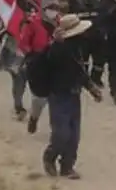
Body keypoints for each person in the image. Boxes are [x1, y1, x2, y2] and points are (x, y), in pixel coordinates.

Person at [42, 14, 104, 179]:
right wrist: (55, 43)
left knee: (74, 134)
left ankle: (67, 166)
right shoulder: (56, 50)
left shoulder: (77, 48)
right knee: (61, 133)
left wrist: (91, 87)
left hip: (73, 94)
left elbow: (79, 72)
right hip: (58, 95)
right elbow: (49, 61)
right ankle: (50, 157)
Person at [19, 0, 61, 134]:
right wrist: (32, 56)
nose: (53, 10)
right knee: (40, 98)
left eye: (55, 7)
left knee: (56, 97)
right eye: (50, 7)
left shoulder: (61, 23)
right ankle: (34, 118)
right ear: (43, 8)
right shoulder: (32, 23)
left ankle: (56, 127)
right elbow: (23, 43)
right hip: (38, 64)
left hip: (56, 63)